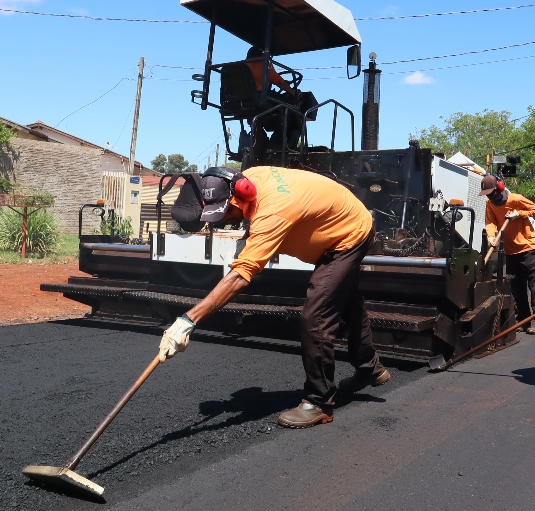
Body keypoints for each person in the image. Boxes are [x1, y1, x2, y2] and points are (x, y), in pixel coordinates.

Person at [158, 165, 389, 428]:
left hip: (349, 236)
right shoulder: (250, 177)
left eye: (225, 213)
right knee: (347, 300)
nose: (223, 220)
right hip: (341, 219)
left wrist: (188, 321)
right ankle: (370, 369)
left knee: (316, 316)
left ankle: (319, 401)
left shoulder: (272, 211)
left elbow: (241, 275)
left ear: (242, 195)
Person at [480, 175, 535, 335]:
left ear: (500, 187)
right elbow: (491, 222)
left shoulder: (515, 199)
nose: (491, 196)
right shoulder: (490, 203)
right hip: (511, 251)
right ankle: (524, 321)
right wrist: (491, 236)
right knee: (517, 288)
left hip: (528, 247)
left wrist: (519, 213)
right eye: (488, 194)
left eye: (492, 192)